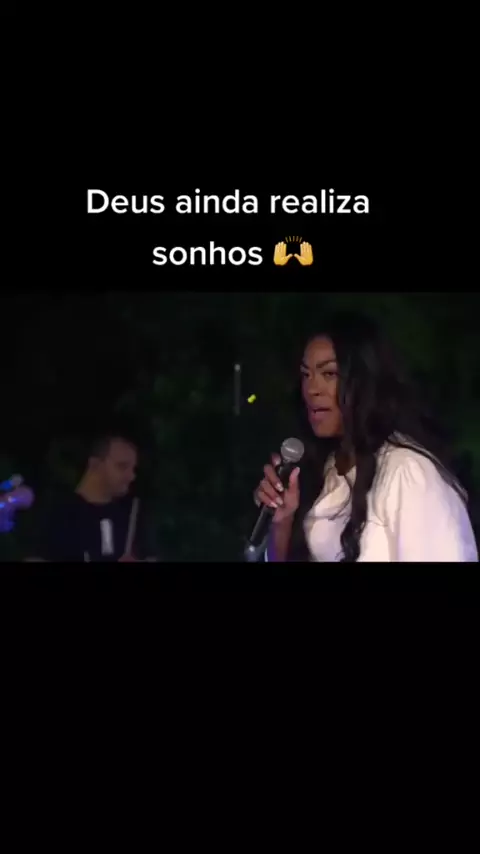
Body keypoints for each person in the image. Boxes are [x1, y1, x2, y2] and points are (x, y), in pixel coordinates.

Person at [254, 312, 478, 562]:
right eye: (306, 375)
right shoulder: (331, 467)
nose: (312, 389)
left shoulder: (407, 471)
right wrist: (282, 522)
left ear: (364, 380)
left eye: (329, 374)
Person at [29, 433, 158, 562]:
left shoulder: (131, 515)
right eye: (122, 466)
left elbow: (151, 556)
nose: (131, 476)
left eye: (133, 469)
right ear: (95, 464)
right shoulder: (59, 513)